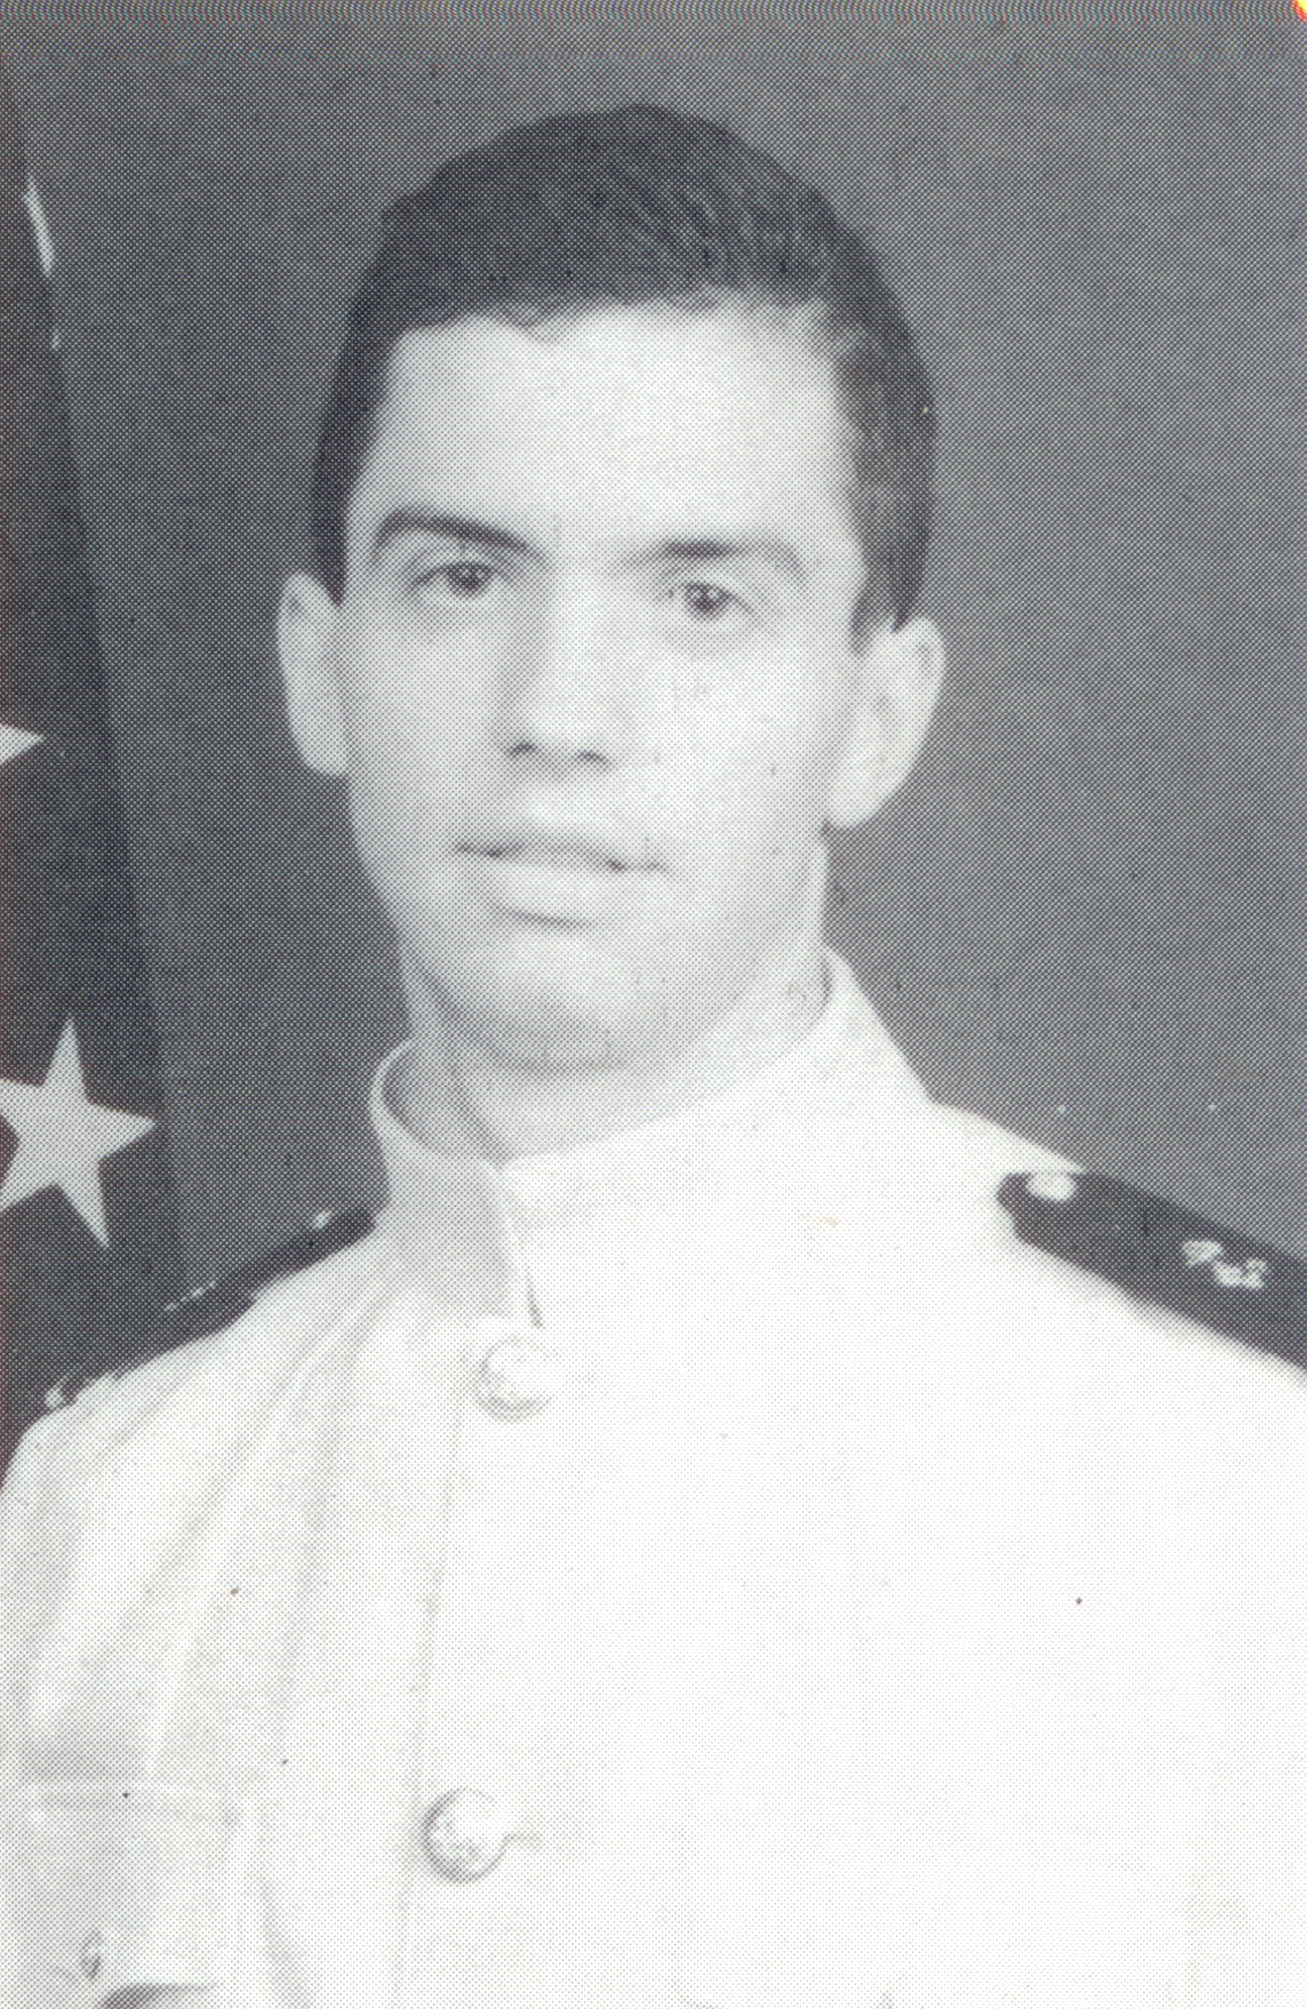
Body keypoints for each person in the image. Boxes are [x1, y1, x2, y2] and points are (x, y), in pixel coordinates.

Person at [3, 103, 1306, 2009]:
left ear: (878, 713)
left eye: (702, 599)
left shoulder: (1239, 1479)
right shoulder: (103, 1503)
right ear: (317, 662)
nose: (560, 712)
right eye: (464, 576)